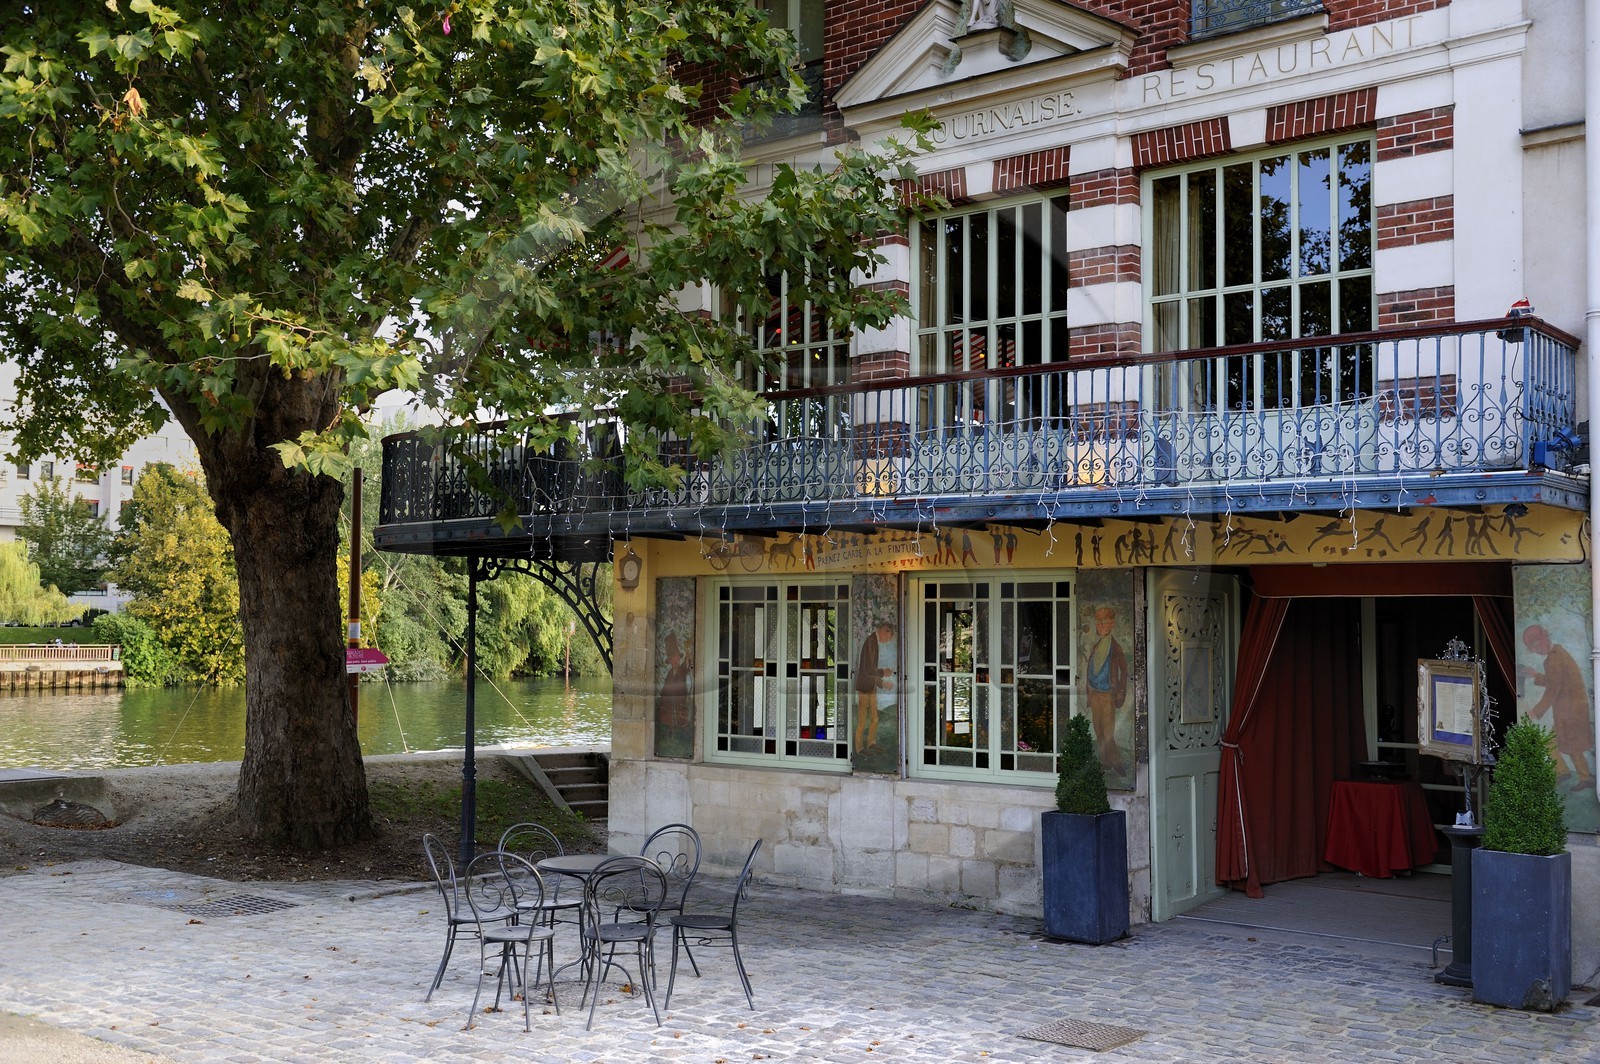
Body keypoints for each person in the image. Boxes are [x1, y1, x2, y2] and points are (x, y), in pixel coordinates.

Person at [1519, 624, 1595, 791]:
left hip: (1569, 711)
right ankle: (1570, 774)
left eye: (1534, 646)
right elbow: (1556, 681)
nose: (1535, 651)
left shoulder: (1553, 658)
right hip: (1570, 710)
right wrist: (1535, 675)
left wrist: (1535, 711)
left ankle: (1579, 776)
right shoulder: (1557, 654)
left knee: (1561, 743)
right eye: (1532, 648)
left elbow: (1553, 689)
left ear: (1542, 640)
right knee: (1559, 743)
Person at [1084, 606, 1129, 777]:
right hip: (1095, 693)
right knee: (1098, 729)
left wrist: (1120, 691)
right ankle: (1105, 761)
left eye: (1103, 621)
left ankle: (1116, 762)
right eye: (1098, 621)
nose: (1100, 624)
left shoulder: (1115, 647)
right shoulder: (1097, 645)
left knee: (1108, 731)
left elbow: (1124, 671)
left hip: (1107, 695)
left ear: (1111, 623)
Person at [854, 621, 896, 752]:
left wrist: (881, 680)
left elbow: (870, 670)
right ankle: (859, 749)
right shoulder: (871, 642)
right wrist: (883, 675)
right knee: (862, 721)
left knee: (875, 718)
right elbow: (868, 670)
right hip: (865, 687)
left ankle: (871, 743)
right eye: (888, 638)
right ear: (885, 631)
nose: (887, 641)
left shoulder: (873, 641)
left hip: (871, 687)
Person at [656, 633, 691, 732]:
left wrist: (688, 651)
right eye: (672, 658)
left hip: (680, 705)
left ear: (679, 658)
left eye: (676, 657)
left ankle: (682, 729)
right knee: (669, 720)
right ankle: (670, 728)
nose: (675, 660)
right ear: (670, 661)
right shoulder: (669, 674)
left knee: (682, 723)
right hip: (670, 706)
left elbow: (687, 663)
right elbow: (664, 690)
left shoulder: (683, 670)